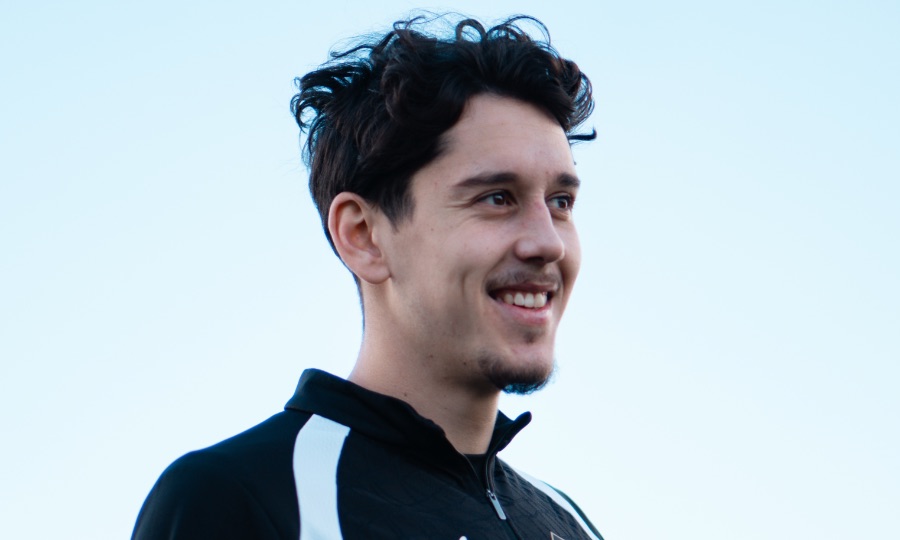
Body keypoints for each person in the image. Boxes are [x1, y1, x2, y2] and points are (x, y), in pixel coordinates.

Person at [132, 13, 603, 540]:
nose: (548, 242)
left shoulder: (570, 522)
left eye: (561, 202)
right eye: (497, 198)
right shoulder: (243, 495)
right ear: (363, 235)